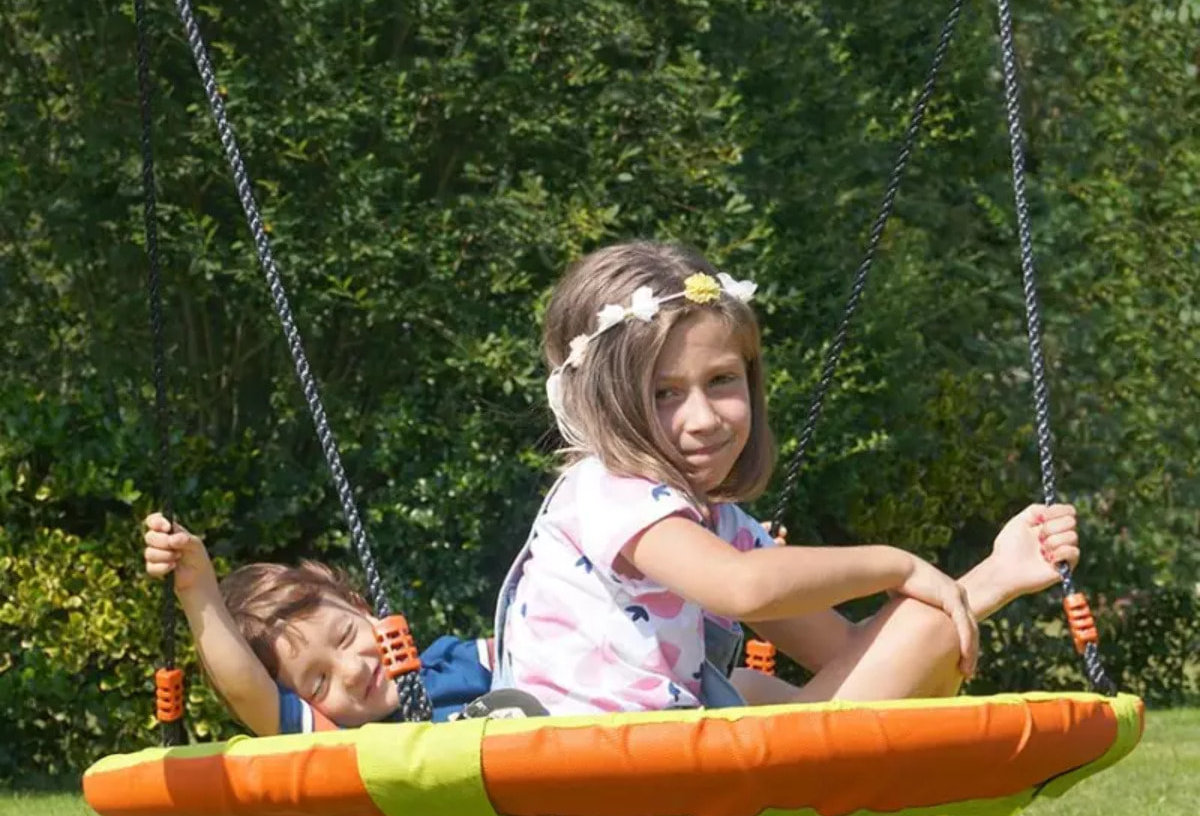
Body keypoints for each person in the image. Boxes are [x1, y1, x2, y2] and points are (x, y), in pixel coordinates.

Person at [493, 239, 1081, 716]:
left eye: (722, 381)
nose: (702, 419)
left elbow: (856, 653)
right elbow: (742, 588)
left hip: (651, 762)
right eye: (664, 394)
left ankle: (992, 578)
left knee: (755, 687)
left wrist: (992, 579)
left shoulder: (721, 525)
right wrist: (896, 563)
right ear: (601, 401)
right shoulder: (606, 491)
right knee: (755, 691)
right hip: (581, 772)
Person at [142, 513, 493, 735]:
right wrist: (197, 589)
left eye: (346, 635)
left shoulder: (455, 661)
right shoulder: (347, 746)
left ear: (361, 607)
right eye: (320, 683)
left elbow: (537, 636)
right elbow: (246, 690)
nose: (352, 671)